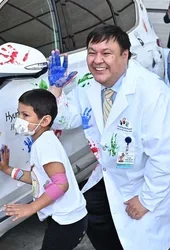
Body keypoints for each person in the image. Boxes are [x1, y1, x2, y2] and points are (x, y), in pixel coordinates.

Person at [48, 25, 170, 250]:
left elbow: (164, 156)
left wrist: (146, 200)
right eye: (91, 52)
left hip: (143, 181)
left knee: (142, 240)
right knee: (94, 217)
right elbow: (64, 119)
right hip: (112, 176)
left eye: (106, 53)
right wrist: (56, 90)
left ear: (125, 55)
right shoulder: (89, 87)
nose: (97, 60)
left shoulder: (152, 92)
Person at [0, 89, 87, 250]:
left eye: (25, 115)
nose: (19, 119)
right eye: (19, 114)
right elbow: (37, 178)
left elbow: (61, 184)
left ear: (44, 121)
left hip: (68, 222)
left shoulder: (45, 145)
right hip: (65, 219)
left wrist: (31, 207)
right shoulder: (43, 140)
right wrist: (8, 170)